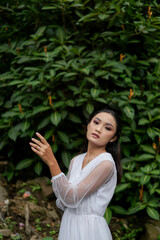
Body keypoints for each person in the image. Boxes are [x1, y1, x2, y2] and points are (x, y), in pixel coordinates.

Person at [29, 108, 122, 240]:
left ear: (113, 138)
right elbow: (64, 202)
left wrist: (52, 163)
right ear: (88, 125)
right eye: (96, 122)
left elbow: (71, 198)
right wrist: (61, 185)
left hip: (89, 229)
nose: (99, 129)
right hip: (69, 222)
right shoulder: (76, 161)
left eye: (107, 128)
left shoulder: (106, 164)